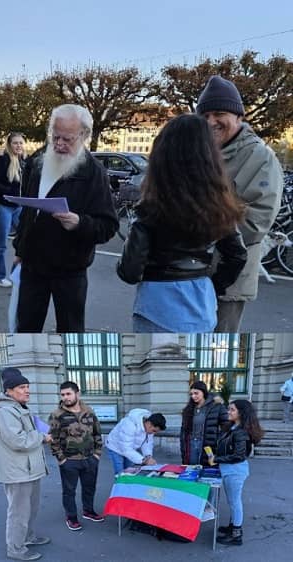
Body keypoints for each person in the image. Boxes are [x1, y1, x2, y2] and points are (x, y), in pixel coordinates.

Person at [116, 114, 247, 332]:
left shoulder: (150, 209)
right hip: (202, 304)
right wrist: (213, 285)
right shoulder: (218, 206)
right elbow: (237, 255)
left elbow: (130, 271)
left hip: (157, 309)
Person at [13, 104, 118, 332]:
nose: (59, 144)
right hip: (33, 266)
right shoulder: (38, 160)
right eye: (55, 136)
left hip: (70, 270)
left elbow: (108, 226)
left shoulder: (94, 172)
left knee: (70, 333)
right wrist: (19, 249)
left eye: (67, 139)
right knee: (26, 328)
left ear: (84, 136)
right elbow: (29, 213)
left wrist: (80, 223)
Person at [196, 76, 284, 332]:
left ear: (238, 116)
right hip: (190, 272)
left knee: (219, 343)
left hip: (229, 277)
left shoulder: (260, 157)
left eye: (219, 113)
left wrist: (203, 229)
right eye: (205, 115)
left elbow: (258, 219)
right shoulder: (198, 151)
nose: (211, 121)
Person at [0, 367, 50, 561]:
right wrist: (42, 436)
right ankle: (15, 550)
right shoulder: (5, 411)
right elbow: (18, 441)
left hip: (30, 470)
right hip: (18, 473)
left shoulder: (19, 407)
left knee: (31, 509)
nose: (27, 390)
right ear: (9, 390)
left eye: (27, 387)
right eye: (22, 387)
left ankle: (27, 537)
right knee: (18, 514)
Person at [47, 381, 104, 531]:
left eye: (68, 394)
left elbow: (97, 433)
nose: (65, 397)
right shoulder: (56, 415)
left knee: (89, 487)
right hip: (69, 461)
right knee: (69, 491)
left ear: (77, 394)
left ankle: (88, 511)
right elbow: (53, 439)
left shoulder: (89, 411)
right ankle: (71, 517)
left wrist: (97, 454)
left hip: (90, 459)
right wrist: (61, 459)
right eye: (63, 395)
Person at [208, 399, 263, 546]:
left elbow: (239, 455)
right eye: (228, 409)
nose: (228, 412)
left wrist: (217, 458)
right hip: (229, 470)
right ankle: (232, 527)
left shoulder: (241, 432)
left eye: (232, 409)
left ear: (241, 413)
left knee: (234, 502)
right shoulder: (234, 427)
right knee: (233, 501)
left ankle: (236, 534)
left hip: (235, 471)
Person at [0, 132, 26, 287]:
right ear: (9, 145)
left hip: (19, 206)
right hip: (4, 206)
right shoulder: (2, 161)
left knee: (25, 238)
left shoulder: (23, 162)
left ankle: (17, 273)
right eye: (15, 143)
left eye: (21, 143)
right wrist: (8, 191)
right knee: (1, 242)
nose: (18, 146)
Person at [180, 380, 229, 465]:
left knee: (206, 471)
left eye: (196, 393)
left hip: (208, 444)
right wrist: (183, 445)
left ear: (203, 392)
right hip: (191, 444)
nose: (193, 396)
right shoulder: (189, 409)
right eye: (191, 394)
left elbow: (227, 425)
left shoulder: (216, 406)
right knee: (191, 470)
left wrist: (219, 440)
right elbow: (183, 430)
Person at [105, 409, 165, 476]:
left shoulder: (150, 428)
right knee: (120, 474)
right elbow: (126, 449)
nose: (154, 433)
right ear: (149, 424)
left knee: (130, 472)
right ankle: (119, 484)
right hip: (115, 448)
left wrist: (148, 456)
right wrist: (144, 460)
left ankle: (127, 485)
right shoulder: (129, 425)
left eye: (156, 431)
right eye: (154, 430)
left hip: (129, 448)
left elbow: (147, 443)